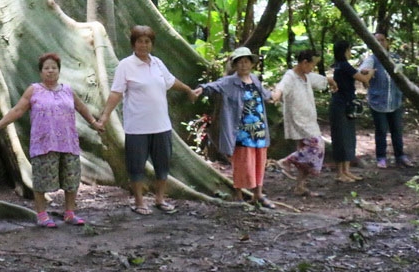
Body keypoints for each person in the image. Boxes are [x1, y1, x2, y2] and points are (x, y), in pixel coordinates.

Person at [0, 53, 104, 227]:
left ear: (59, 71)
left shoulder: (68, 90)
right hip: (44, 143)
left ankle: (69, 213)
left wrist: (94, 123)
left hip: (68, 142)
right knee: (41, 181)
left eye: (54, 68)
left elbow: (81, 107)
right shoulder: (34, 90)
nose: (50, 71)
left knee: (71, 179)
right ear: (40, 72)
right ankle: (42, 215)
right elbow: (18, 110)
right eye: (46, 68)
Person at [97, 24, 193, 216]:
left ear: (152, 44)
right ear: (133, 44)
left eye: (147, 41)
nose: (144, 45)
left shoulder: (157, 63)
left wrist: (188, 90)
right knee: (136, 166)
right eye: (140, 41)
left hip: (161, 126)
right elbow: (116, 93)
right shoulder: (126, 65)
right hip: (137, 127)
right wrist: (105, 116)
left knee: (162, 164)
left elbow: (171, 81)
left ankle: (160, 199)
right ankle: (139, 202)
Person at [191, 46, 274, 209]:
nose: (243, 65)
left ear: (251, 64)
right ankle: (238, 195)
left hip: (259, 131)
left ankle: (258, 195)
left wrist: (276, 95)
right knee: (242, 163)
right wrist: (201, 89)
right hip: (241, 132)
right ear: (235, 65)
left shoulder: (255, 80)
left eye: (246, 62)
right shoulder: (229, 82)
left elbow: (266, 95)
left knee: (259, 162)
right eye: (240, 62)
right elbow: (213, 86)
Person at [271, 49, 336, 196]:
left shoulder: (307, 76)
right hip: (298, 119)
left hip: (309, 119)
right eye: (312, 64)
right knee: (316, 146)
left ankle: (300, 186)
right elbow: (280, 88)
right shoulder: (290, 76)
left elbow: (322, 80)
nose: (313, 67)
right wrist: (275, 96)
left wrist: (331, 81)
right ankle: (286, 161)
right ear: (305, 62)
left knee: (304, 153)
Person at [357, 31, 413, 168]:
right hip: (378, 101)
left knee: (397, 130)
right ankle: (381, 157)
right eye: (377, 41)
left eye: (382, 40)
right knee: (381, 131)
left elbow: (402, 76)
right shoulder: (372, 59)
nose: (380, 43)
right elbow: (362, 70)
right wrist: (366, 72)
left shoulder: (395, 58)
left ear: (387, 42)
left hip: (395, 100)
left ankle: (400, 156)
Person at [328, 39, 363, 182]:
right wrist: (371, 73)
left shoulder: (341, 66)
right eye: (348, 50)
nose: (350, 53)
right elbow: (362, 77)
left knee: (349, 137)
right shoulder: (344, 66)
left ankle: (346, 171)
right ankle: (340, 173)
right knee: (340, 138)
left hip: (348, 105)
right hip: (340, 105)